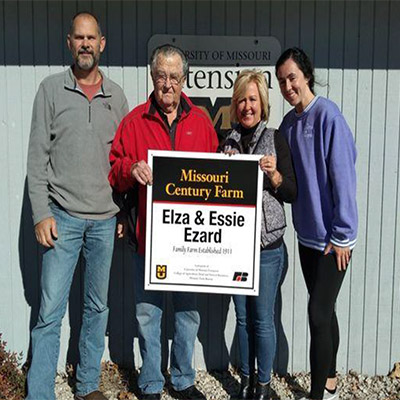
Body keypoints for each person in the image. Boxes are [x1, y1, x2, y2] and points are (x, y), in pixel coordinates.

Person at [26, 12, 128, 400]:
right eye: (79, 38)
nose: (86, 44)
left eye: (92, 38)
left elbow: (122, 159)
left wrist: (123, 210)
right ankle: (39, 392)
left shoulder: (116, 96)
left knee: (96, 308)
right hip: (62, 218)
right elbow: (37, 158)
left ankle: (87, 385)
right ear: (69, 42)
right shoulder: (50, 89)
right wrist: (41, 213)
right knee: (49, 312)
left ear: (102, 44)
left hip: (104, 220)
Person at [108, 44, 218, 400]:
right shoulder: (134, 121)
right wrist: (130, 168)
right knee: (147, 315)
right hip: (148, 240)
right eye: (161, 76)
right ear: (151, 77)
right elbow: (114, 169)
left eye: (174, 76)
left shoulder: (201, 122)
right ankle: (152, 382)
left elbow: (218, 173)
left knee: (188, 315)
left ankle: (184, 378)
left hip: (190, 244)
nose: (167, 83)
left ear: (184, 80)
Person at [275, 48, 358, 400]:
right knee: (325, 310)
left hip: (333, 239)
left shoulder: (328, 116)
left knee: (316, 313)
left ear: (306, 75)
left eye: (292, 77)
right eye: (281, 81)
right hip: (307, 235)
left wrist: (342, 236)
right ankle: (332, 379)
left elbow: (344, 178)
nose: (288, 86)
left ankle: (316, 395)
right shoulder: (289, 124)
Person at [221, 70, 296, 400]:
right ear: (235, 105)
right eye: (241, 100)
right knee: (242, 319)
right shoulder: (227, 141)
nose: (247, 106)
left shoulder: (276, 138)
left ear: (262, 103)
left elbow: (293, 191)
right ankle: (247, 380)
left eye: (252, 99)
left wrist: (275, 174)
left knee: (263, 319)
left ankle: (263, 386)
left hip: (267, 248)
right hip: (236, 248)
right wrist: (223, 166)